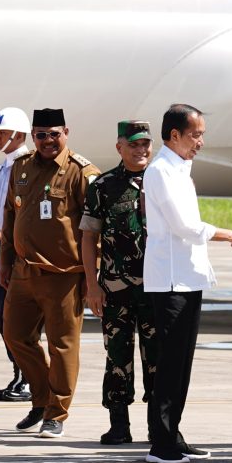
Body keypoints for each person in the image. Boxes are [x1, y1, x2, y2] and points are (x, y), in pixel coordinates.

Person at [142, 104, 232, 463]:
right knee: (170, 364)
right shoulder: (161, 171)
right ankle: (161, 444)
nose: (201, 142)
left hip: (187, 278)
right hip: (171, 281)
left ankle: (173, 435)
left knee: (182, 364)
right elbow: (185, 227)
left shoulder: (179, 169)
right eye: (195, 135)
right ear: (174, 135)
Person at [0, 108, 100, 439]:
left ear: (66, 133)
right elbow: (10, 216)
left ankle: (56, 413)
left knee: (62, 346)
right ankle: (41, 399)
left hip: (63, 275)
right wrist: (4, 262)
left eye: (54, 134)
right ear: (33, 137)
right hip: (23, 271)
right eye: (41, 135)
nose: (47, 141)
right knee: (15, 336)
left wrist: (91, 278)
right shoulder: (22, 167)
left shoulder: (81, 173)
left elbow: (95, 231)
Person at [80, 120, 160, 444]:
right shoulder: (103, 186)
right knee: (117, 356)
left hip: (157, 288)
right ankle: (119, 424)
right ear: (119, 147)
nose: (141, 150)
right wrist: (92, 284)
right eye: (133, 144)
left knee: (157, 357)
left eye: (145, 144)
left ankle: (159, 425)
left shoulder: (162, 181)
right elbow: (88, 237)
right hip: (116, 289)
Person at [0, 107, 37, 401]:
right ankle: (19, 375)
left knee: (19, 320)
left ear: (19, 135)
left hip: (17, 252)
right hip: (0, 249)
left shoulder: (28, 167)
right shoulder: (1, 169)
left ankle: (29, 379)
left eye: (3, 133)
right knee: (4, 320)